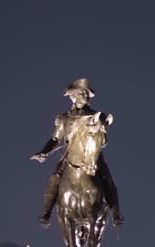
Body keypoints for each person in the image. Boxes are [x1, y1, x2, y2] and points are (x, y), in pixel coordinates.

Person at [31, 78, 124, 226]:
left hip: (92, 156)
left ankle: (115, 213)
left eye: (87, 93)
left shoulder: (96, 116)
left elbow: (104, 141)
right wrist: (44, 152)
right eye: (82, 93)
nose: (86, 96)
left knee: (107, 179)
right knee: (55, 177)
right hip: (69, 157)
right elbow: (55, 139)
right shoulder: (64, 119)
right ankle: (47, 212)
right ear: (73, 96)